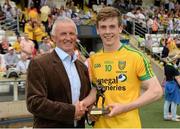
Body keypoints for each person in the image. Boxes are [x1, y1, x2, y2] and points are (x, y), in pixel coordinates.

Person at [80, 7, 163, 128]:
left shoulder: (136, 57)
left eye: (112, 26)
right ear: (97, 30)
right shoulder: (94, 59)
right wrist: (87, 106)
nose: (107, 31)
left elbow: (156, 91)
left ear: (120, 28)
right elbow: (97, 90)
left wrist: (125, 107)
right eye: (103, 27)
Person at [26, 16, 91, 128]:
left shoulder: (82, 67)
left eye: (71, 34)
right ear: (53, 37)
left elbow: (85, 100)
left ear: (76, 37)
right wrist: (71, 112)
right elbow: (34, 102)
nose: (68, 37)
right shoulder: (39, 63)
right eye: (63, 34)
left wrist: (90, 111)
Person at [163, 52, 180, 121]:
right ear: (174, 59)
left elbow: (165, 76)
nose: (177, 60)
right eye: (176, 59)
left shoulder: (166, 66)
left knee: (167, 101)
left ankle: (166, 115)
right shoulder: (173, 68)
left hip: (167, 84)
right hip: (173, 85)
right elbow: (178, 79)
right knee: (174, 102)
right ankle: (173, 117)